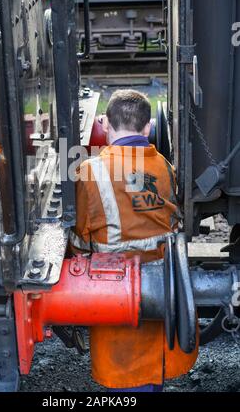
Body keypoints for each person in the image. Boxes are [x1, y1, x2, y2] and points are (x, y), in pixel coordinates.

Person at [70, 89, 198, 392]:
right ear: (148, 128)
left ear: (106, 127)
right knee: (155, 375)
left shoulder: (89, 171)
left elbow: (78, 240)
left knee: (128, 381)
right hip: (165, 294)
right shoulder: (165, 167)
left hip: (116, 298)